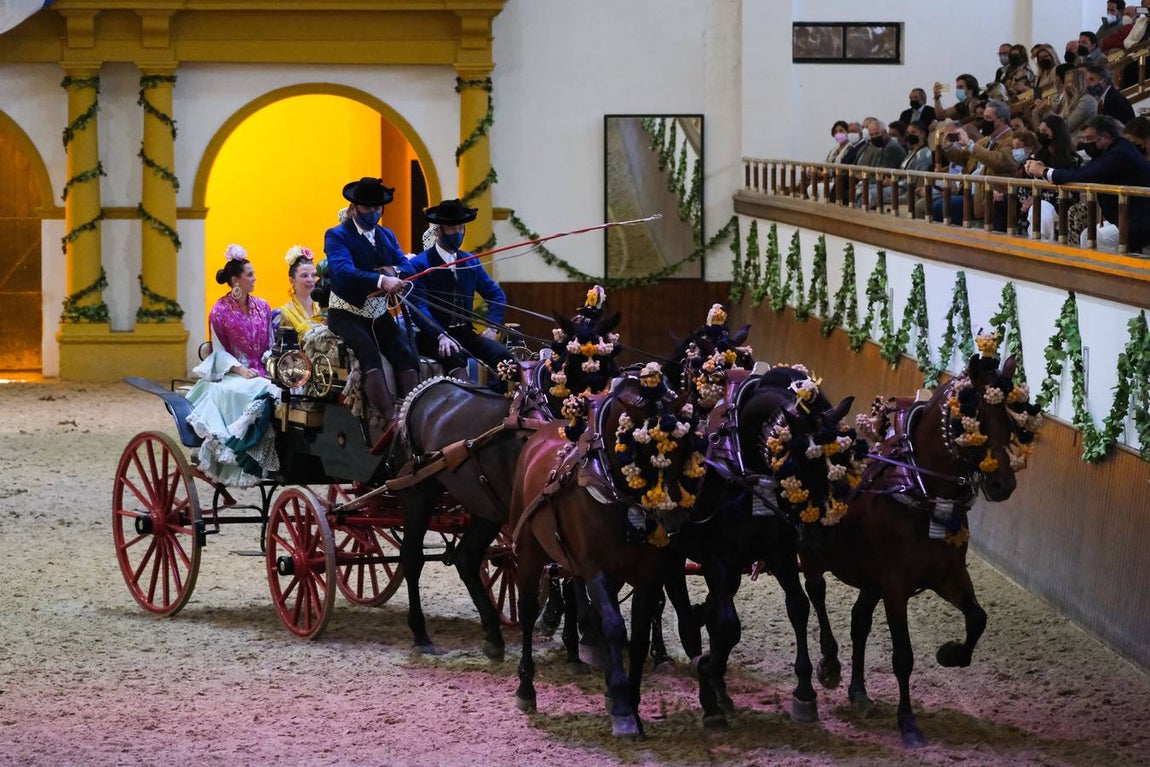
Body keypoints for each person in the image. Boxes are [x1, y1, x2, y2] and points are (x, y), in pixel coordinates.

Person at [324, 176, 422, 451]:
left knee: (404, 351)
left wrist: (395, 273)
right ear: (354, 208)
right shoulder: (337, 235)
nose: (375, 213)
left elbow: (407, 265)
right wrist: (380, 280)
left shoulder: (386, 235)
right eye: (369, 209)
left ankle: (411, 412)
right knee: (368, 353)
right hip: (347, 313)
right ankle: (391, 419)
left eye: (379, 208)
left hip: (378, 313)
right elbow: (342, 270)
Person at [185, 244, 282, 486]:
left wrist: (272, 365)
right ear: (235, 280)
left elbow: (270, 343)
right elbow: (218, 351)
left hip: (263, 370)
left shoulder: (263, 306)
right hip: (231, 375)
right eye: (250, 274)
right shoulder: (219, 311)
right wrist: (239, 369)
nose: (254, 278)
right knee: (258, 389)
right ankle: (245, 447)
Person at [404, 198, 515, 382]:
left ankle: (501, 406)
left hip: (465, 334)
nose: (457, 233)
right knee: (457, 364)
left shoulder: (470, 261)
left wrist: (492, 326)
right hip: (432, 337)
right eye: (452, 228)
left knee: (506, 360)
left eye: (461, 228)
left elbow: (496, 295)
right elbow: (418, 307)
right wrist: (441, 335)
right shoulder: (419, 265)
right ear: (438, 231)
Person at [1025, 114, 1150, 252]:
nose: (1085, 143)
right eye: (1083, 138)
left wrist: (1044, 171)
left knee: (1099, 238)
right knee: (1087, 236)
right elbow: (1084, 171)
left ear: (1105, 137)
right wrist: (1046, 171)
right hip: (1126, 217)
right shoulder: (1107, 151)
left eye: (1089, 139)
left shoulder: (1118, 153)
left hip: (1141, 220)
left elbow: (1083, 176)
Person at [278, 244, 324, 338]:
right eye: (304, 275)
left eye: (313, 275)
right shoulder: (285, 313)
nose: (310, 279)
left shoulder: (323, 307)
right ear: (292, 281)